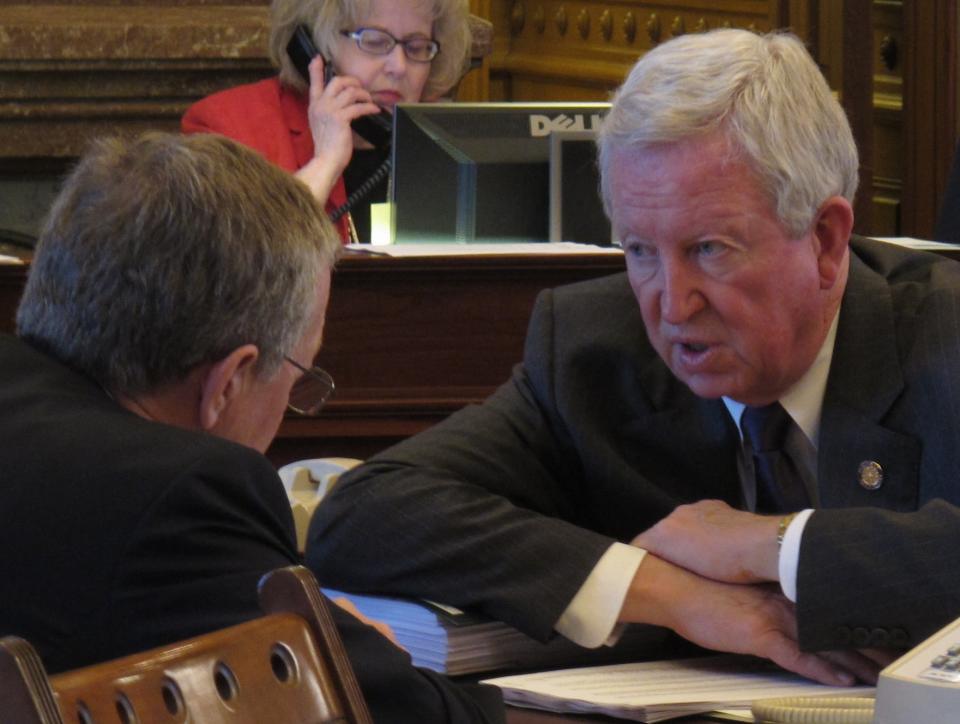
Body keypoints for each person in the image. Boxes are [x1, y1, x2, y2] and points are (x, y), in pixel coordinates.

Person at [306, 27, 960, 687]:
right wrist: (683, 597)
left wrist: (769, 546)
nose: (673, 307)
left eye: (710, 249)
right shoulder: (594, 353)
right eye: (641, 251)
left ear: (824, 239)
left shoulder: (944, 341)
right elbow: (363, 514)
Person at [0, 132, 503, 722]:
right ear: (230, 381)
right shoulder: (175, 495)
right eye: (298, 373)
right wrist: (375, 656)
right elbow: (414, 714)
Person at [182, 0, 471, 243]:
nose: (399, 66)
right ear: (314, 46)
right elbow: (230, 273)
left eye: (417, 47)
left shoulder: (450, 143)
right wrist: (325, 164)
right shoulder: (228, 127)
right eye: (374, 41)